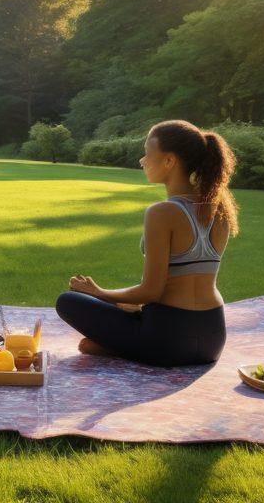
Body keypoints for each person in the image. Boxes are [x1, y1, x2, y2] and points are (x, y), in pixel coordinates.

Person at [55, 120, 239, 367]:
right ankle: (124, 341)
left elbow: (151, 291)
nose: (142, 161)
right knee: (124, 307)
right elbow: (175, 284)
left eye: (147, 153)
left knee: (68, 301)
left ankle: (121, 348)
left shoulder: (162, 213)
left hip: (168, 340)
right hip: (212, 339)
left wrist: (99, 293)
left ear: (169, 161)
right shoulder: (221, 211)